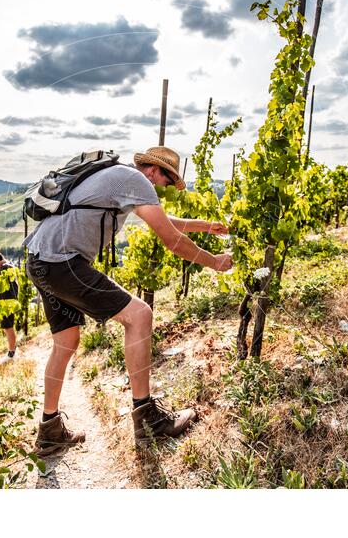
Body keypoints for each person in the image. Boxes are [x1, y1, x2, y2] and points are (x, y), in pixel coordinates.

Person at [23, 146, 232, 456]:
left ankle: (49, 430)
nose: (161, 188)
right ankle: (148, 422)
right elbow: (171, 240)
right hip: (63, 262)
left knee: (66, 340)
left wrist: (203, 225)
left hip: (39, 259)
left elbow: (163, 219)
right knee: (140, 315)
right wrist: (214, 261)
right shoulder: (136, 180)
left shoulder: (119, 177)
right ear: (155, 171)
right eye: (166, 181)